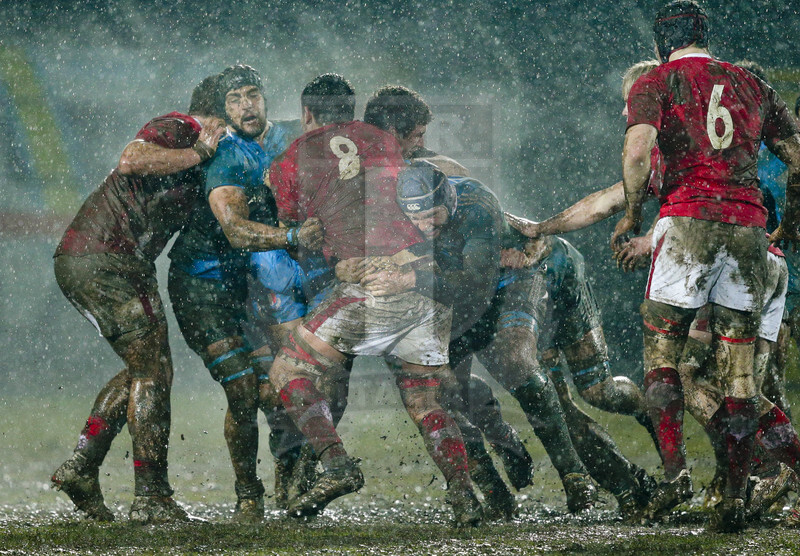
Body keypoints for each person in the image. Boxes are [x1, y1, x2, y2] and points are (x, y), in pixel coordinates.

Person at [613, 0, 800, 532]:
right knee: (740, 377)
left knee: (663, 356)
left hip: (688, 222)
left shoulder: (657, 82)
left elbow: (636, 149)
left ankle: (674, 474)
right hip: (747, 231)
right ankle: (737, 496)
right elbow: (798, 156)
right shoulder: (750, 83)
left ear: (661, 43)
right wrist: (791, 221)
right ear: (704, 35)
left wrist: (632, 215)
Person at [267, 74, 483, 526]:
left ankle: (337, 465)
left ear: (307, 114)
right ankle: (465, 496)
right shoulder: (384, 140)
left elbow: (295, 232)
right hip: (424, 281)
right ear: (352, 111)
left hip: (370, 284)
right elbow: (430, 175)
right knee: (426, 402)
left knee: (288, 370)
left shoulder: (291, 158)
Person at [51, 75, 226, 523]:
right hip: (109, 256)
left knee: (143, 368)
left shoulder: (215, 158)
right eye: (236, 106)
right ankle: (151, 497)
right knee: (153, 372)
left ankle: (82, 467)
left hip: (100, 258)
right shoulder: (182, 127)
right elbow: (131, 159)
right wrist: (201, 149)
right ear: (215, 115)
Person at [167, 64, 321, 522]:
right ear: (222, 111)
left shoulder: (294, 139)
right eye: (234, 100)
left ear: (268, 98)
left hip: (256, 285)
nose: (246, 106)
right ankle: (248, 497)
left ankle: (293, 470)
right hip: (203, 285)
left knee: (286, 386)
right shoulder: (225, 153)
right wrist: (293, 236)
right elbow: (234, 231)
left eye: (252, 94)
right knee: (244, 392)